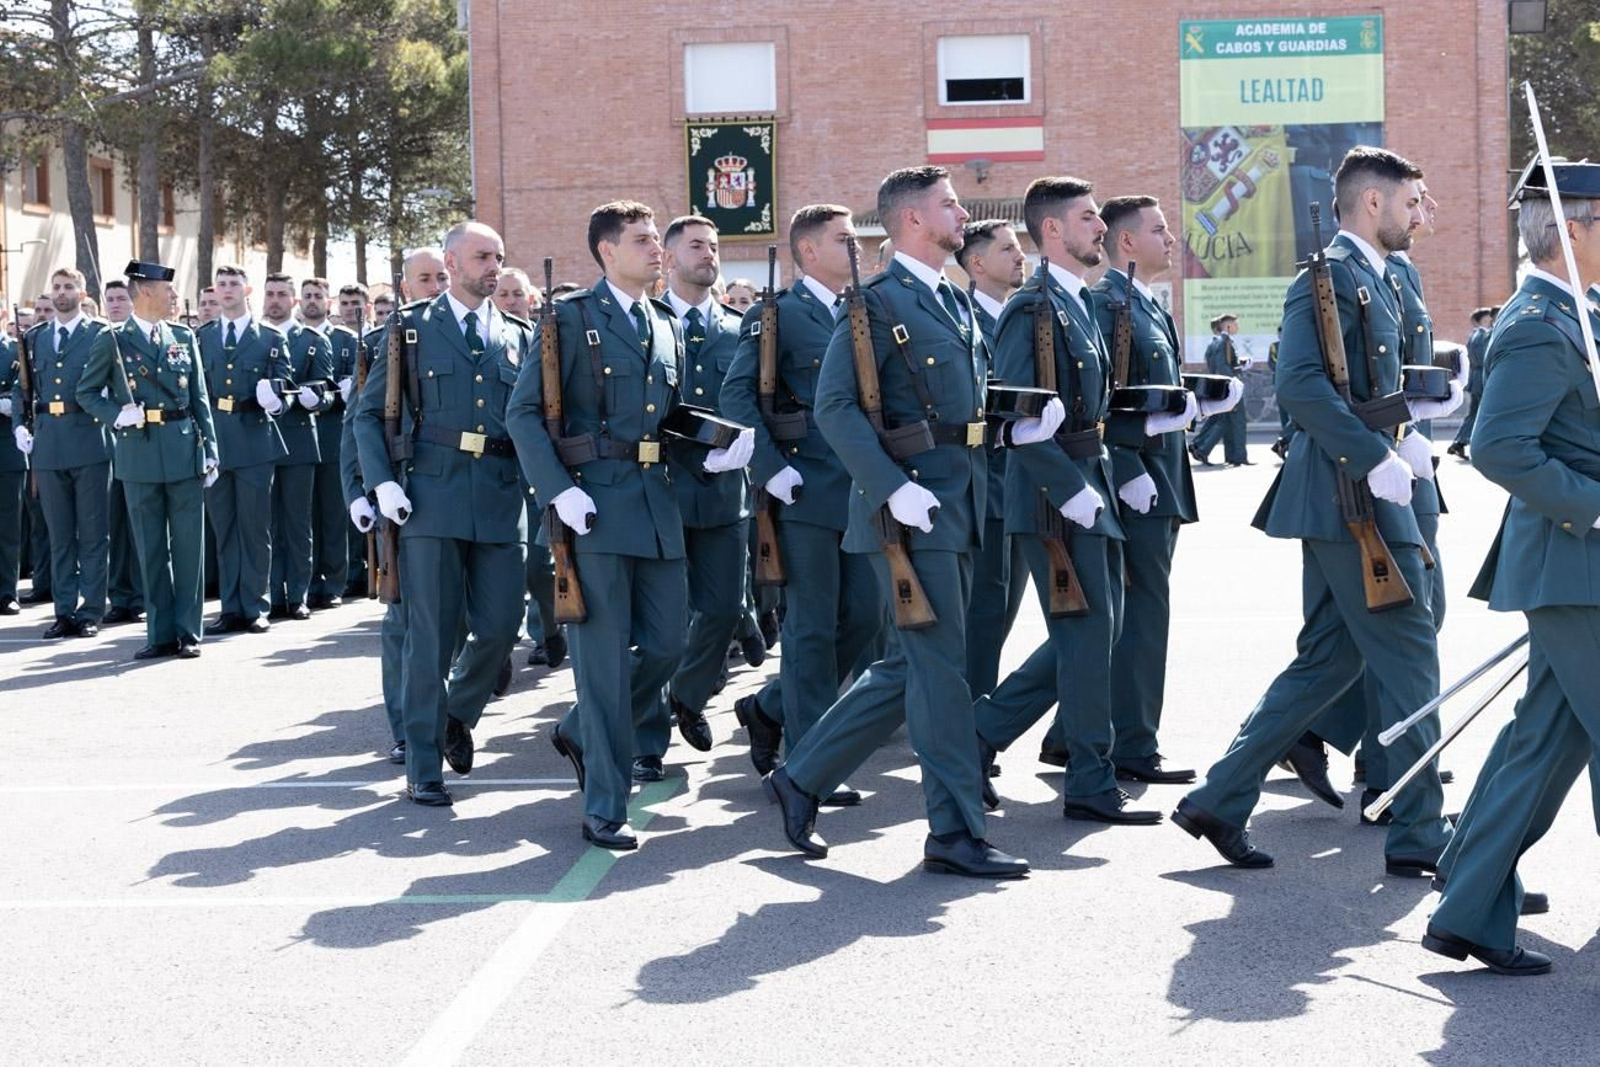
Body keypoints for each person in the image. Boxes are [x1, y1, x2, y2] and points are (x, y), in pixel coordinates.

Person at [765, 165, 1056, 877]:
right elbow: (835, 408)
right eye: (949, 205)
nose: (962, 213)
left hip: (958, 503)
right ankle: (954, 832)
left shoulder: (952, 301)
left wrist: (1013, 426)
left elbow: (955, 410)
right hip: (912, 514)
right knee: (941, 674)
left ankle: (801, 774)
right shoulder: (873, 303)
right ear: (912, 221)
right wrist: (891, 488)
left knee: (912, 666)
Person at [1174, 146, 1457, 874]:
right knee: (1410, 646)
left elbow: (1377, 381)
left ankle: (1219, 794)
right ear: (1372, 203)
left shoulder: (1381, 276)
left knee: (1332, 658)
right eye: (1408, 200)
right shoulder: (1326, 279)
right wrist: (1374, 455)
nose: (1416, 211)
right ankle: (1420, 828)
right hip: (1347, 493)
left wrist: (1415, 426)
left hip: (1371, 484)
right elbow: (1300, 385)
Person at [507, 200, 751, 849]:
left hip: (655, 506)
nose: (656, 250)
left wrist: (713, 448)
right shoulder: (570, 318)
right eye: (643, 240)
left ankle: (581, 727)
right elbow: (524, 414)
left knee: (670, 644)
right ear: (607, 250)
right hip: (594, 509)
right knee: (605, 664)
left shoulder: (661, 324)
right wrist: (558, 492)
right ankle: (604, 804)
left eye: (655, 239)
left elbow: (667, 419)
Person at [1423, 159, 1600, 977]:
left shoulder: (1581, 314)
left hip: (1580, 568)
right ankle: (1469, 900)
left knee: (1542, 745)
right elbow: (1499, 446)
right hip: (1576, 563)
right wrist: (1592, 504)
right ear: (1572, 231)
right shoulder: (1536, 321)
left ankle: (1468, 905)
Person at [974, 177, 1174, 825]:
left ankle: (977, 735)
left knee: (1094, 632)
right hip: (1052, 498)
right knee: (1089, 636)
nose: (1099, 229)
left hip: (1092, 484)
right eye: (1088, 218)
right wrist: (1070, 491)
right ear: (1053, 230)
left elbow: (1097, 411)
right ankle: (1089, 779)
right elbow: (1010, 417)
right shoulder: (1029, 309)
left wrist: (1155, 424)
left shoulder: (1082, 305)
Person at [355, 222, 532, 807]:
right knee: (429, 638)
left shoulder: (521, 334)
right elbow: (367, 415)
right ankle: (424, 763)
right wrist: (380, 484)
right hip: (430, 495)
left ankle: (457, 712)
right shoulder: (409, 330)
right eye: (483, 257)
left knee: (503, 626)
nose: (494, 267)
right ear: (452, 263)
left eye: (499, 258)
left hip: (502, 496)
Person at [721, 204, 885, 798]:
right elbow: (737, 396)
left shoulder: (860, 309)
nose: (857, 248)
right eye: (844, 239)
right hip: (805, 487)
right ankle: (810, 761)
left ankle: (768, 706)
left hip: (861, 488)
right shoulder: (779, 315)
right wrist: (770, 470)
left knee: (867, 617)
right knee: (812, 628)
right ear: (809, 251)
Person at [1091, 195, 1236, 782]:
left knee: (1131, 616)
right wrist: (1125, 468)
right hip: (1137, 480)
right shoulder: (1106, 305)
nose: (1172, 238)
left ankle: (1070, 734)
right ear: (1126, 242)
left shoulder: (1149, 305)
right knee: (1141, 618)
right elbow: (1100, 400)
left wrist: (1198, 396)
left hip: (1164, 477)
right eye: (1159, 230)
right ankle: (1133, 744)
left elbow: (1152, 391)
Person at [632, 215, 750, 782]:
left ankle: (690, 691)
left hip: (725, 493)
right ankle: (646, 738)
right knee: (663, 626)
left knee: (725, 609)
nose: (710, 254)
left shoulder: (739, 326)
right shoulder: (647, 323)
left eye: (714, 245)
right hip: (664, 494)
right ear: (670, 258)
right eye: (697, 246)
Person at [76, 260, 219, 660]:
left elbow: (200, 400)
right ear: (144, 292)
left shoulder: (182, 336)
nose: (174, 297)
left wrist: (211, 450)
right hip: (138, 451)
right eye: (166, 290)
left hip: (183, 446)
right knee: (151, 548)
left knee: (190, 546)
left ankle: (189, 630)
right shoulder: (113, 340)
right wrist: (117, 416)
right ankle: (160, 633)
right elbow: (86, 393)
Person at [342, 247, 451, 765]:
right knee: (403, 620)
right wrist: (358, 491)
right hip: (396, 493)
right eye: (424, 278)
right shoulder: (384, 341)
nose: (434, 285)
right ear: (406, 288)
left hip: (447, 494)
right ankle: (407, 729)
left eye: (441, 277)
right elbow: (356, 427)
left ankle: (439, 713)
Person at [11, 267, 112, 639]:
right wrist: (20, 425)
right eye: (56, 287)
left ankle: (91, 611)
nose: (62, 293)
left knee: (93, 532)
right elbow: (25, 389)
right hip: (49, 443)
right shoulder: (35, 337)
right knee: (59, 533)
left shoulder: (100, 334)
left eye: (69, 287)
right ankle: (64, 609)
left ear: (83, 292)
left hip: (88, 438)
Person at [956, 219, 1029, 704]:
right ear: (977, 263)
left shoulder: (1019, 317)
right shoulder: (961, 320)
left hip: (1026, 485)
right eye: (1009, 248)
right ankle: (972, 720)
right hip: (984, 489)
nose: (1021, 256)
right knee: (983, 611)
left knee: (1004, 611)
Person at [198, 265, 290, 635]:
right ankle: (231, 606)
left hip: (254, 438)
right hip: (217, 438)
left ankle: (256, 605)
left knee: (254, 528)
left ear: (247, 289)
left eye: (233, 284)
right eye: (221, 284)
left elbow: (284, 384)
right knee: (224, 527)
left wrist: (275, 398)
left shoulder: (268, 337)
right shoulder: (202, 336)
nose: (227, 290)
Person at [493, 267, 564, 670]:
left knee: (540, 565)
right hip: (496, 467)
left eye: (516, 294)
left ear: (531, 300)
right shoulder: (488, 341)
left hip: (534, 468)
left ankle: (549, 626)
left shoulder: (542, 338)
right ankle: (497, 649)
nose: (509, 301)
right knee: (499, 567)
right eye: (502, 294)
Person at [260, 272, 334, 619]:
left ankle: (298, 594)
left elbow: (326, 390)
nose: (275, 300)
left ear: (294, 300)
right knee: (267, 523)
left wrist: (313, 399)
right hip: (261, 440)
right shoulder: (258, 338)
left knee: (297, 523)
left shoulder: (313, 340)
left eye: (281, 294)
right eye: (270, 293)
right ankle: (273, 593)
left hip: (300, 440)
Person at [299, 277, 358, 610]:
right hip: (303, 435)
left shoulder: (345, 341)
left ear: (328, 301)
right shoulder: (292, 338)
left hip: (335, 431)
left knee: (334, 513)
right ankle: (306, 582)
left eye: (318, 296)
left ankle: (335, 582)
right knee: (304, 515)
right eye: (306, 296)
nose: (312, 301)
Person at [100, 279, 145, 626]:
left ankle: (142, 592)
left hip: (141, 437)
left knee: (139, 524)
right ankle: (119, 595)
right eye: (110, 299)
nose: (115, 304)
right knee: (115, 521)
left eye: (120, 298)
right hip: (107, 435)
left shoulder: (136, 338)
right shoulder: (102, 339)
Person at [1189, 314, 1252, 466]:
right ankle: (1203, 448)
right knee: (1234, 421)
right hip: (1228, 386)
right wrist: (1231, 389)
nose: (1238, 327)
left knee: (1224, 421)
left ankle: (1233, 456)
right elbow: (1223, 367)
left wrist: (1239, 365)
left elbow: (1219, 365)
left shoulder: (1215, 343)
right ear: (1228, 326)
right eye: (1236, 324)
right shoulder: (1225, 342)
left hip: (1219, 386)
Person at [1448, 307, 1496, 460]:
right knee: (1482, 413)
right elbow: (1485, 357)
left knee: (1474, 413)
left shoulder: (1474, 334)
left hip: (1475, 378)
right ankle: (1464, 442)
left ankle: (1459, 442)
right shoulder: (1484, 335)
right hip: (1482, 378)